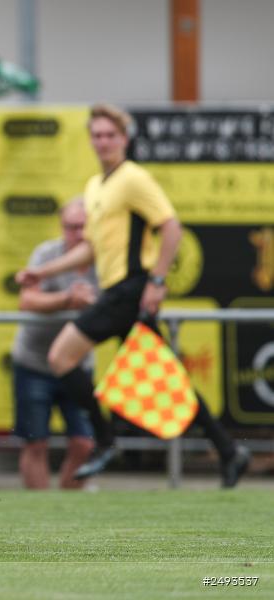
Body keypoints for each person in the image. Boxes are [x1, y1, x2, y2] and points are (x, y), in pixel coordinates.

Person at [15, 104, 250, 488]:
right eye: (98, 135)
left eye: (111, 135)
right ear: (91, 139)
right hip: (118, 291)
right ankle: (228, 449)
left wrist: (157, 282)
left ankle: (105, 440)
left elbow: (171, 228)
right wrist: (42, 272)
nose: (103, 141)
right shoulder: (96, 186)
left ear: (125, 139)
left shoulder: (133, 178)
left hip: (130, 289)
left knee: (61, 357)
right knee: (166, 379)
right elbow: (89, 248)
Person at [12, 198, 97, 489]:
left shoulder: (106, 261)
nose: (78, 233)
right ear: (63, 227)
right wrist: (69, 299)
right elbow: (27, 300)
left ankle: (67, 506)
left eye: (84, 227)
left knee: (84, 443)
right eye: (71, 227)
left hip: (77, 363)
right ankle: (39, 513)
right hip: (35, 362)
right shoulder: (47, 253)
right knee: (35, 444)